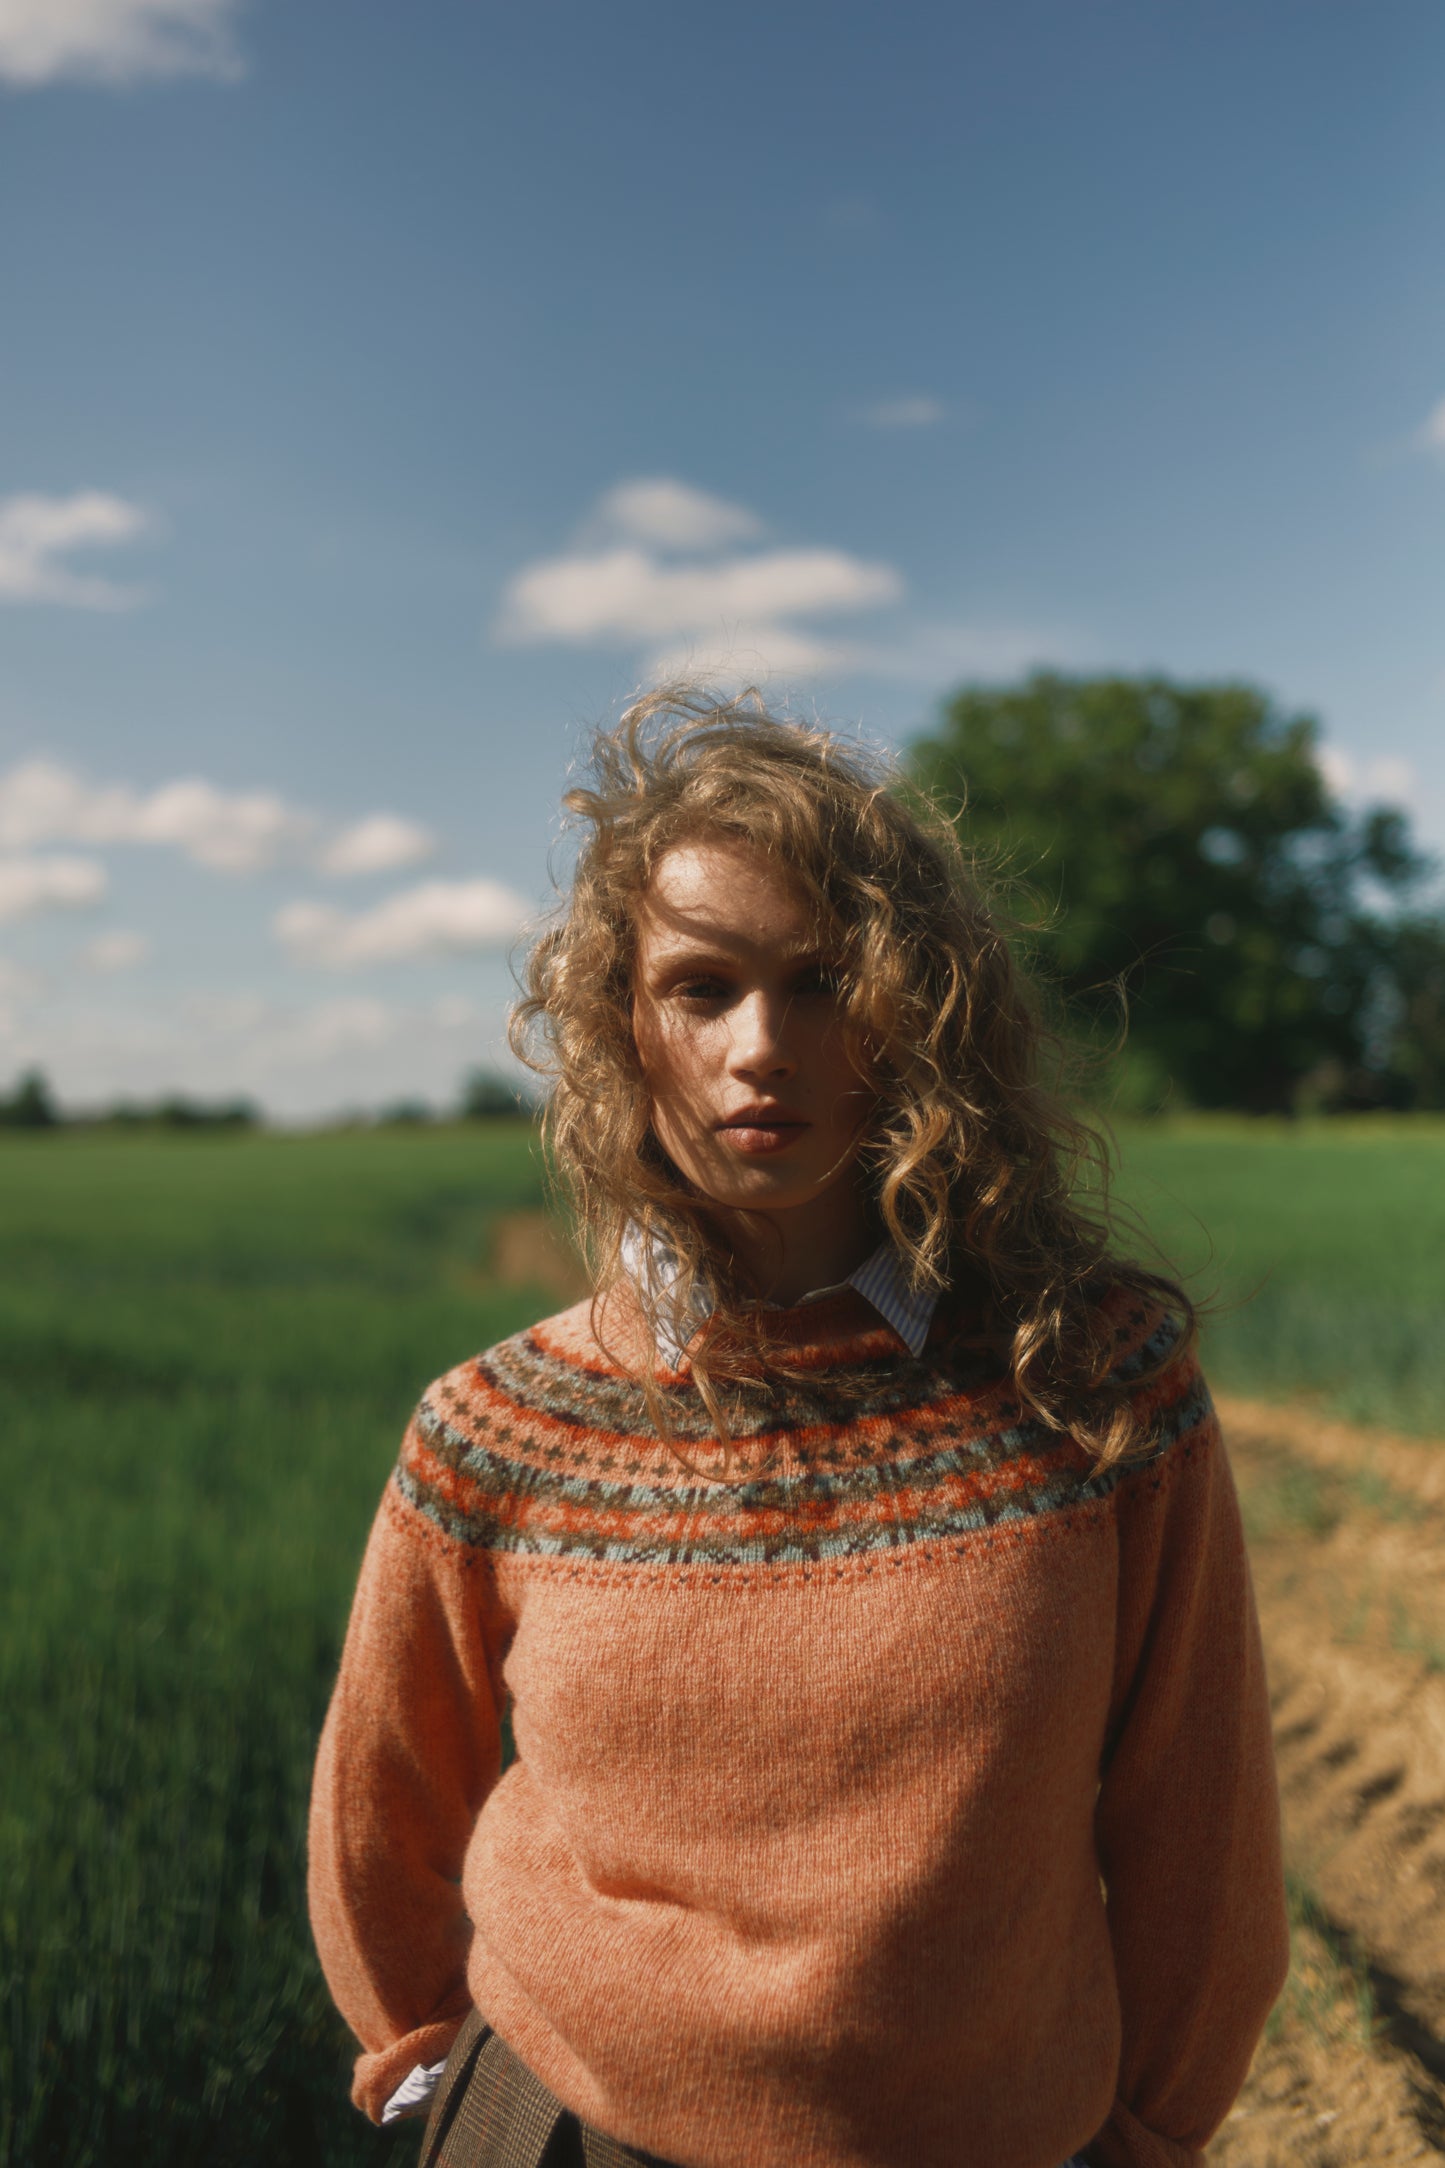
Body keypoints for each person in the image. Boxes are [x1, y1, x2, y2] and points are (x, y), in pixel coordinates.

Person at [308, 688, 1289, 2168]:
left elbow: (1195, 1828)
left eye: (823, 983)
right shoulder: (496, 1426)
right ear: (619, 1022)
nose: (760, 1046)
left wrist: (1145, 2133)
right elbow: (382, 1799)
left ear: (914, 1019)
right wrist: (428, 2070)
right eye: (701, 989)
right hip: (560, 2135)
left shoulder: (1094, 1385)